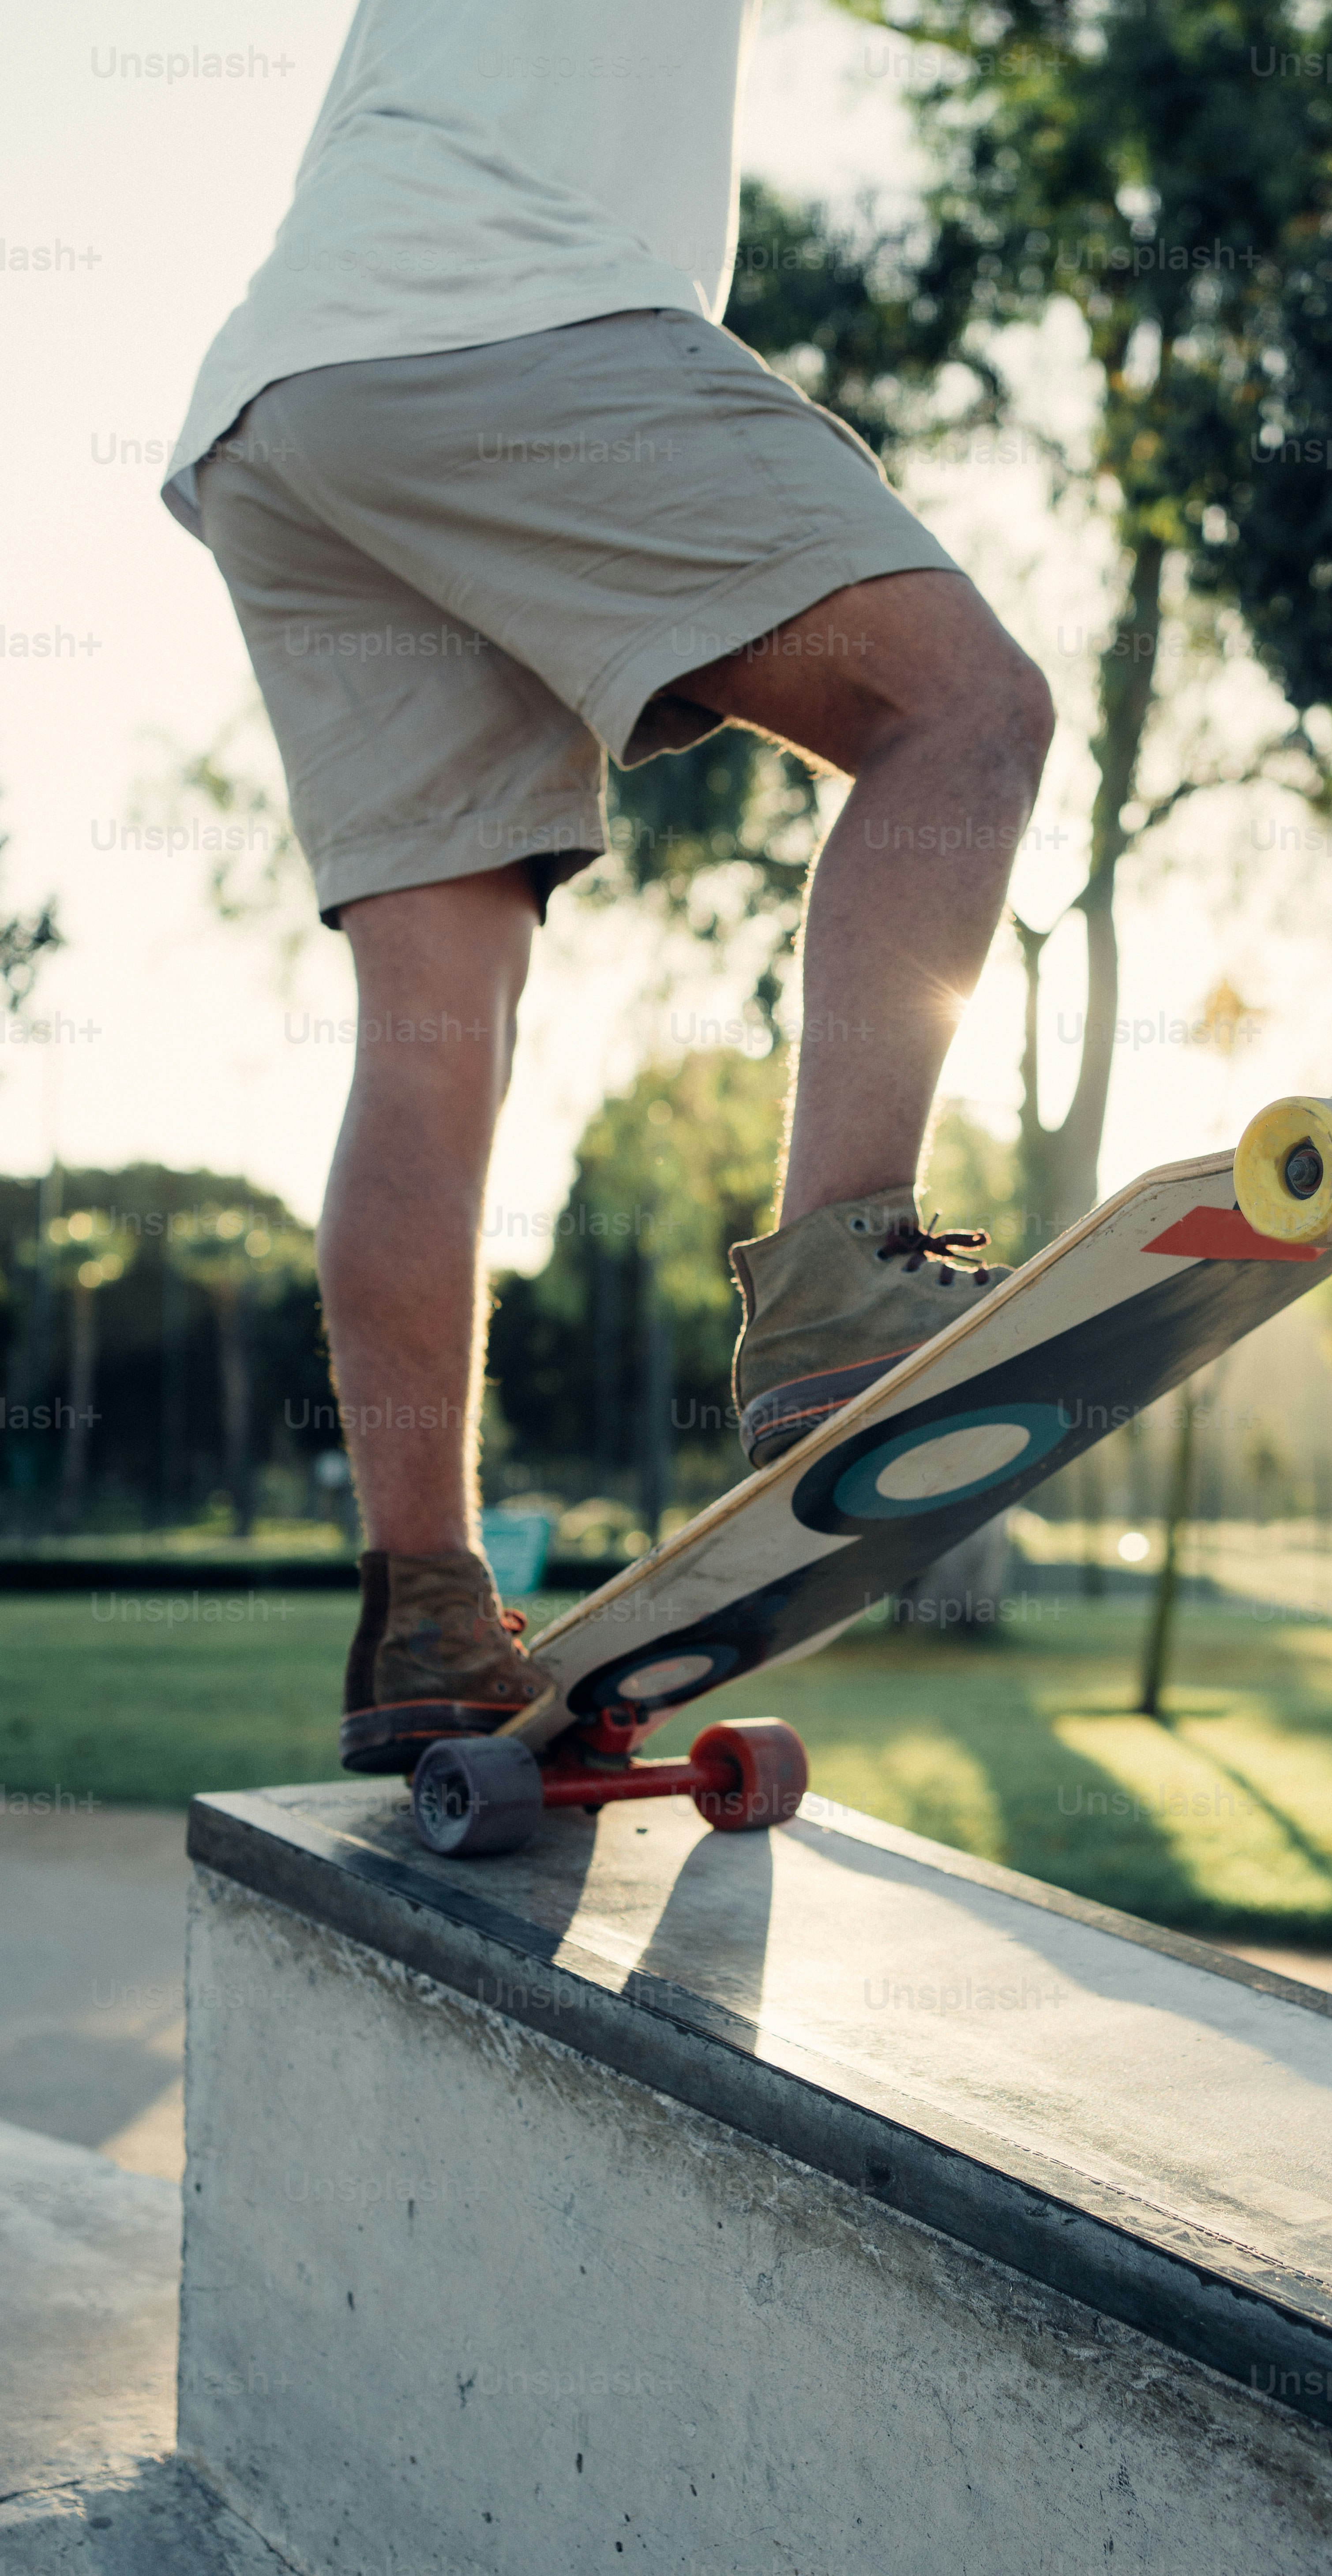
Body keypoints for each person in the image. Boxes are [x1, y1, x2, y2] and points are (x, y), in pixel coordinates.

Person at [161, 1, 1053, 1777]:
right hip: (503, 310)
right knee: (959, 707)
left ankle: (422, 1607)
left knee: (435, 1030)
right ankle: (835, 1284)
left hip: (294, 408)